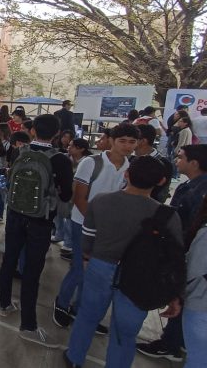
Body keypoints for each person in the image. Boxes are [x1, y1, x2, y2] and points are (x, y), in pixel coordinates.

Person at [63, 156, 182, 368]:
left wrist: (87, 260)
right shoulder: (167, 216)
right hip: (140, 277)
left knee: (87, 316)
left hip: (100, 266)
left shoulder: (101, 201)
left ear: (126, 174)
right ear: (162, 181)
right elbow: (173, 258)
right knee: (124, 333)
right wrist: (174, 294)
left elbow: (87, 240)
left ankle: (74, 358)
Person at [54, 124, 138, 334]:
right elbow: (79, 198)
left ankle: (80, 309)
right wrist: (96, 224)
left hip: (107, 230)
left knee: (93, 272)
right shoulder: (92, 163)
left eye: (132, 142)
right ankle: (62, 303)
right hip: (82, 223)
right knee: (78, 269)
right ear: (111, 141)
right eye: (122, 141)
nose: (127, 146)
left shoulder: (130, 167)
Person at [0, 114, 73, 347]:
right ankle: (28, 326)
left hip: (14, 214)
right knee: (32, 271)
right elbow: (66, 194)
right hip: (41, 220)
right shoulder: (60, 160)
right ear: (57, 133)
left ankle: (4, 304)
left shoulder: (21, 152)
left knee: (9, 260)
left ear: (33, 131)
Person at [137, 144, 207, 362]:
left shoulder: (198, 192)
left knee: (184, 296)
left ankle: (171, 343)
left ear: (194, 163)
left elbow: (187, 226)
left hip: (187, 254)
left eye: (181, 157)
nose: (177, 161)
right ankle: (179, 340)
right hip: (183, 250)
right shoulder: (190, 186)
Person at [181, 197, 207, 368]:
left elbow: (193, 272)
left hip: (200, 306)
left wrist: (177, 295)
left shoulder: (205, 235)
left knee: (198, 360)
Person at [133, 124, 174, 203]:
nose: (128, 143)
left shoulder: (164, 164)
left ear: (143, 141)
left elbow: (161, 194)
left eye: (132, 139)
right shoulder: (130, 159)